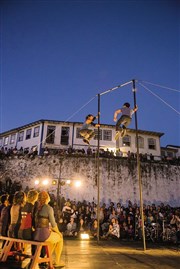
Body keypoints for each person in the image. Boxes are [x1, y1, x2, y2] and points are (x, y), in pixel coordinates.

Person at [33, 191, 64, 268]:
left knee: (51, 241)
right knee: (60, 238)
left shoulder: (36, 207)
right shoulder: (48, 208)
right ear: (47, 198)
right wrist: (58, 232)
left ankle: (47, 259)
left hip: (36, 234)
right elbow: (53, 224)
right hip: (44, 235)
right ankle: (57, 261)